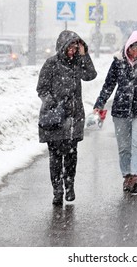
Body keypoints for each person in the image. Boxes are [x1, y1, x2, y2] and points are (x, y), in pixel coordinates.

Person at [93, 31, 137, 194]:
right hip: (121, 110)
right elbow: (109, 84)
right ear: (128, 48)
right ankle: (127, 176)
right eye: (133, 49)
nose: (136, 53)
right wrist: (100, 103)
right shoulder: (119, 61)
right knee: (124, 147)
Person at [37, 30, 97, 205]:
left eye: (75, 47)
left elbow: (91, 75)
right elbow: (41, 88)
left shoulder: (78, 64)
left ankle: (69, 185)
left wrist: (84, 54)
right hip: (55, 117)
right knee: (55, 156)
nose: (72, 50)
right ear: (62, 46)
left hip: (74, 116)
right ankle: (57, 190)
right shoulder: (51, 64)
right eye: (69, 46)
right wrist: (53, 104)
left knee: (71, 155)